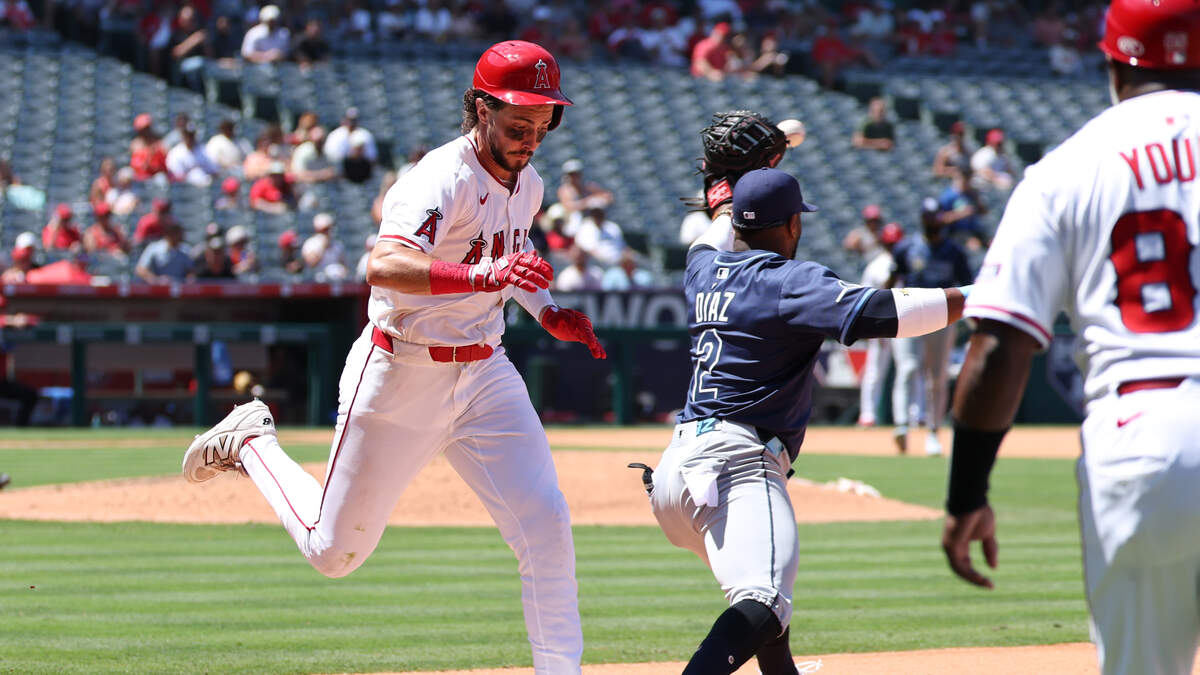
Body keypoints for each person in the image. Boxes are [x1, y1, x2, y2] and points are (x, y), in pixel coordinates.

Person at [180, 40, 604, 675]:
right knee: (333, 552)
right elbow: (385, 264)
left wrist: (546, 310)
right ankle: (250, 442)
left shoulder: (531, 183)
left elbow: (506, 264)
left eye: (543, 124)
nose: (531, 138)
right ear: (481, 109)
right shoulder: (439, 178)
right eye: (520, 123)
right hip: (401, 370)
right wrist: (486, 276)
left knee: (546, 527)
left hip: (486, 371)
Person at [941, 3, 1200, 673]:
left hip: (1143, 440)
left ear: (1112, 63)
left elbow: (999, 345)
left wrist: (967, 491)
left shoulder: (1067, 167)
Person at [639, 167, 969, 675]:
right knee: (766, 601)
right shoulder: (786, 280)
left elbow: (708, 238)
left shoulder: (703, 270)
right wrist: (986, 295)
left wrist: (727, 200)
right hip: (736, 466)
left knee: (765, 590)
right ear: (793, 225)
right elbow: (887, 312)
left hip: (673, 476)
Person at [889, 198, 975, 456]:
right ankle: (902, 425)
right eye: (929, 217)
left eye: (936, 217)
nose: (932, 222)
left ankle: (933, 431)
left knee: (937, 376)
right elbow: (892, 279)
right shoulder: (907, 247)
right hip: (909, 310)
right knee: (908, 367)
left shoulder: (954, 251)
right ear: (922, 219)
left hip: (941, 314)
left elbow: (967, 284)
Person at [856, 222, 904, 426]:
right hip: (881, 326)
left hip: (906, 322)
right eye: (890, 243)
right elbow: (864, 299)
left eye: (896, 243)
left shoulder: (909, 262)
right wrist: (870, 328)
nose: (893, 246)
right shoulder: (875, 266)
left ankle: (913, 416)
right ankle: (868, 414)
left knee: (910, 369)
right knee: (875, 371)